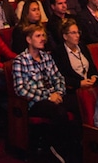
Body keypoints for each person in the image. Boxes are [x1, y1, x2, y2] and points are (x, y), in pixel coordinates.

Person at [11, 23, 75, 163]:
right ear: (29, 40)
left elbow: (58, 77)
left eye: (43, 36)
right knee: (59, 112)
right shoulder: (20, 61)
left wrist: (58, 92)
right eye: (38, 36)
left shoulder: (47, 57)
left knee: (77, 102)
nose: (42, 39)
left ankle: (76, 144)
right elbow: (21, 89)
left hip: (54, 96)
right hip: (35, 102)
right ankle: (57, 146)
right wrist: (48, 96)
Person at [51, 19, 98, 91]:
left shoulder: (82, 46)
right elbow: (61, 77)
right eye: (73, 33)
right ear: (65, 36)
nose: (77, 35)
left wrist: (93, 77)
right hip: (74, 89)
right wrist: (79, 83)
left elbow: (92, 67)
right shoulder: (58, 52)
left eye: (78, 32)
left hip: (91, 85)